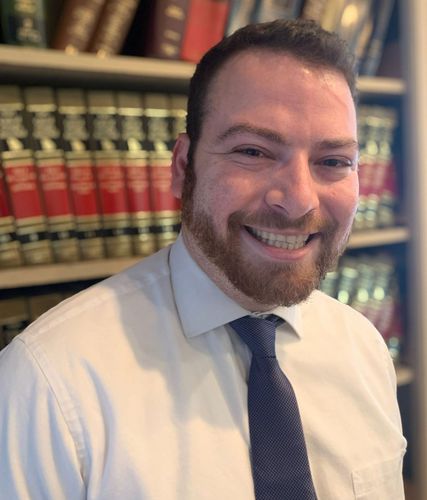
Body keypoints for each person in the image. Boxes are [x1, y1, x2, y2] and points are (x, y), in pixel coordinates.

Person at [0, 19, 406, 499]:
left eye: (334, 161)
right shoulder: (48, 383)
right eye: (253, 151)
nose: (298, 201)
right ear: (182, 167)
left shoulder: (364, 348)